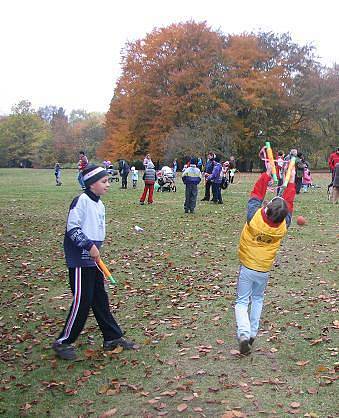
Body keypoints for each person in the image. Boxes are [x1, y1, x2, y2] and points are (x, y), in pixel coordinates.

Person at [52, 164, 139, 360]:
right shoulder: (81, 201)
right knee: (83, 302)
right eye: (104, 181)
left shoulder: (100, 204)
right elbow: (72, 229)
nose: (108, 184)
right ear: (91, 184)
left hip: (93, 260)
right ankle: (63, 341)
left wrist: (96, 250)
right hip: (81, 260)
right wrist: (89, 246)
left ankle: (112, 337)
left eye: (108, 180)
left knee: (100, 298)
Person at [234, 162, 296, 355]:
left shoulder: (254, 217)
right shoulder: (284, 224)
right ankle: (252, 332)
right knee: (258, 299)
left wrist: (266, 175)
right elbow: (289, 203)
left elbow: (256, 194)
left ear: (267, 208)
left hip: (248, 266)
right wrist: (291, 181)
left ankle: (244, 334)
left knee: (242, 301)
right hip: (264, 269)